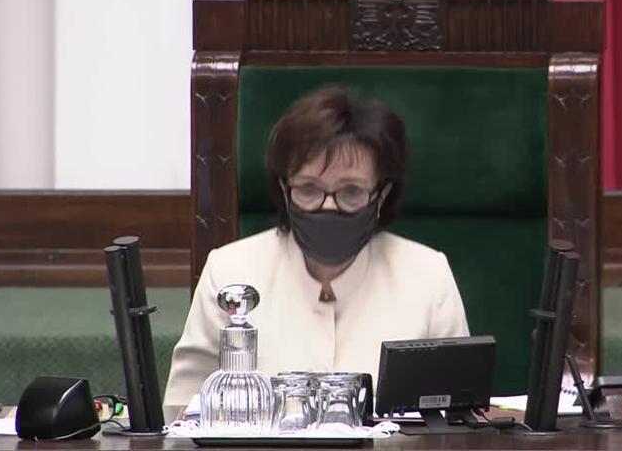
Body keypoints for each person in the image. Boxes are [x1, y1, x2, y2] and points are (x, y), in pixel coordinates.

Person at [164, 85, 469, 405]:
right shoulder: (229, 272)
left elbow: (458, 414)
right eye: (309, 189)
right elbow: (183, 409)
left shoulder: (428, 277)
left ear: (382, 195)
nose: (328, 206)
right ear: (285, 189)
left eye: (351, 191)